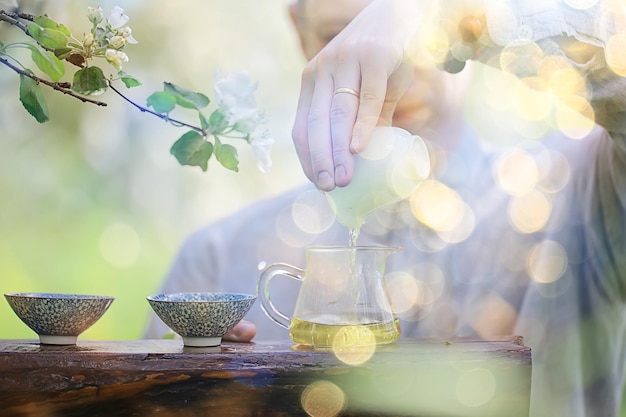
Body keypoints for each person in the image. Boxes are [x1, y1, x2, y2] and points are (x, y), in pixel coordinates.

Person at [146, 0, 626, 416]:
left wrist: (447, 16)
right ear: (298, 31)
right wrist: (192, 392)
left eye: (414, 41)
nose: (385, 72)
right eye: (341, 38)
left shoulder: (580, 193)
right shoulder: (217, 262)